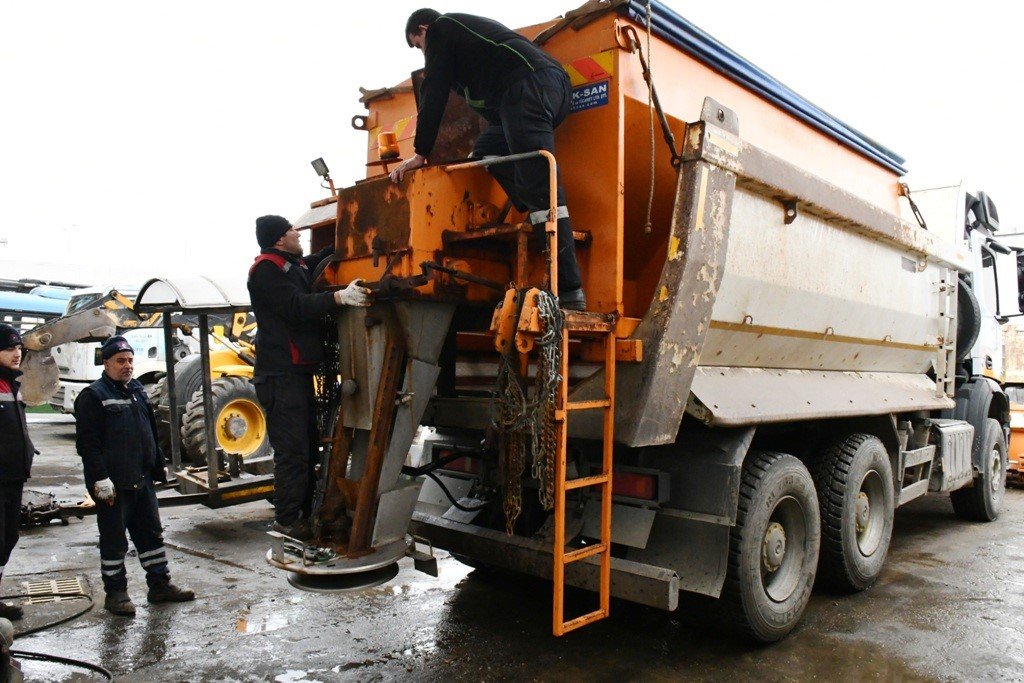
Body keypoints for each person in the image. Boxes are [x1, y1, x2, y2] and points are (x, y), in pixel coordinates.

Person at [389, 8, 587, 311]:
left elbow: (434, 89)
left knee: (542, 189)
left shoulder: (441, 28)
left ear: (423, 29)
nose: (423, 53)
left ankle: (571, 289)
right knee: (484, 152)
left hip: (528, 88)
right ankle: (529, 202)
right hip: (542, 90)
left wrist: (421, 153)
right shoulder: (471, 47)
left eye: (418, 45)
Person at [247, 215, 372, 541]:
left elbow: (316, 260)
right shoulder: (266, 271)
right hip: (280, 376)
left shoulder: (293, 265)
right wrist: (338, 297)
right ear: (279, 239)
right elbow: (294, 305)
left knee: (307, 449)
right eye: (291, 230)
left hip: (296, 374)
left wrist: (351, 235)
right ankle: (288, 521)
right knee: (293, 452)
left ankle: (304, 515)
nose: (297, 233)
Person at [75, 336, 194, 616]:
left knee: (151, 535)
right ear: (106, 363)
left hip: (142, 479)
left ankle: (160, 585)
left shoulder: (137, 390)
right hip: (114, 485)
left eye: (129, 360)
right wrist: (100, 479)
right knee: (114, 540)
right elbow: (87, 445)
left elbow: (148, 430)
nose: (127, 365)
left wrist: (158, 464)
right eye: (120, 361)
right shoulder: (93, 396)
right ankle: (116, 594)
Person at [0, 324, 34, 621]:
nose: (17, 354)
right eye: (9, 348)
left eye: (19, 348)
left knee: (7, 538)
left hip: (13, 478)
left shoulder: (12, 384)